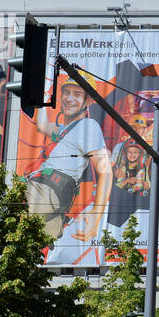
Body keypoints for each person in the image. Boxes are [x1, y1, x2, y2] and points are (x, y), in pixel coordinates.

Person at [27, 75, 113, 242]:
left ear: (87, 102)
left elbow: (105, 170)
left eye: (77, 94)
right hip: (47, 191)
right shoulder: (66, 129)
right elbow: (42, 125)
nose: (69, 98)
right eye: (66, 92)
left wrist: (97, 212)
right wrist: (44, 97)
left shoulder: (89, 126)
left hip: (48, 189)